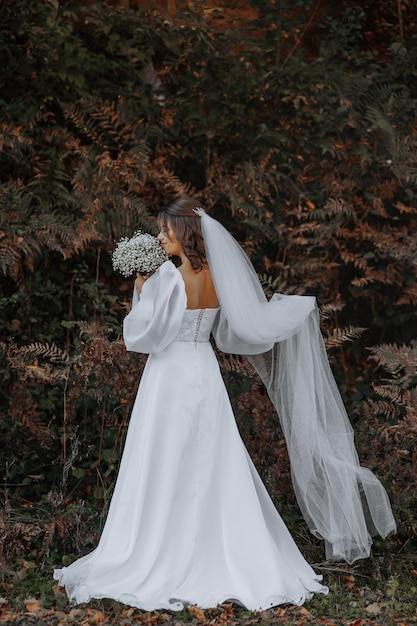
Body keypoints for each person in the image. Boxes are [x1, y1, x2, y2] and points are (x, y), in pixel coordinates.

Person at [54, 197, 396, 611]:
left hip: (169, 377)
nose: (161, 237)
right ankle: (222, 549)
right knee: (213, 460)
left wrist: (142, 290)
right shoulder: (218, 276)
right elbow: (233, 333)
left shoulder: (166, 278)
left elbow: (148, 338)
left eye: (167, 230)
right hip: (204, 372)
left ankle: (160, 549)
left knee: (164, 460)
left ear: (186, 234)